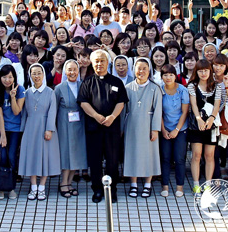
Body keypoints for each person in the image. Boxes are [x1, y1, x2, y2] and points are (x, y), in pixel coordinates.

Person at [78, 50, 129, 203]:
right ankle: (97, 190)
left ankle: (112, 191)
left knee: (113, 160)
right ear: (92, 63)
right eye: (96, 61)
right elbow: (83, 102)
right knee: (95, 161)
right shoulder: (87, 82)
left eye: (102, 61)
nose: (99, 64)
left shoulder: (116, 81)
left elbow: (121, 101)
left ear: (108, 63)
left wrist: (112, 116)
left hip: (112, 128)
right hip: (94, 127)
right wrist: (96, 116)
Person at [18, 64, 60, 201]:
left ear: (43, 74)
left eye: (39, 73)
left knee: (45, 157)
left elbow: (52, 112)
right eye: (33, 73)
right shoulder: (27, 92)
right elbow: (24, 112)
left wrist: (49, 129)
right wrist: (22, 130)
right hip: (30, 127)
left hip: (45, 127)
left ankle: (42, 187)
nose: (36, 76)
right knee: (32, 156)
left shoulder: (50, 92)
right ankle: (33, 186)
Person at [123, 58, 163, 199]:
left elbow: (158, 110)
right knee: (132, 153)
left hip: (148, 125)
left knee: (149, 154)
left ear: (149, 70)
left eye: (144, 68)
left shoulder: (155, 88)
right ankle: (133, 184)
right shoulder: (127, 88)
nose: (141, 71)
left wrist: (155, 129)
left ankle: (147, 184)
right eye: (138, 68)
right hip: (132, 126)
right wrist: (122, 129)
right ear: (134, 70)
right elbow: (123, 111)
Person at [187, 59, 222, 195]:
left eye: (206, 70)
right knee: (196, 155)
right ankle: (196, 184)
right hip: (196, 125)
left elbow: (217, 105)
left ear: (210, 71)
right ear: (197, 71)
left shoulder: (217, 86)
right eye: (200, 70)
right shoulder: (192, 86)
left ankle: (208, 184)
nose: (203, 73)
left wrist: (211, 119)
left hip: (211, 125)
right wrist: (199, 119)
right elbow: (194, 105)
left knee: (210, 155)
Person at [55, 60, 88, 198]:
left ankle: (69, 182)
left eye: (75, 69)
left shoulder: (83, 85)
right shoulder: (59, 88)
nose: (72, 72)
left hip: (80, 123)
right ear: (65, 72)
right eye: (69, 70)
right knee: (66, 152)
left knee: (77, 152)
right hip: (64, 123)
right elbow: (54, 109)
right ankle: (63, 182)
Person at [0, 65, 25, 200]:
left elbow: (17, 111)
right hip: (0, 129)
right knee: (2, 157)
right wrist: (3, 135)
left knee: (12, 157)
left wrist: (12, 97)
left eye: (10, 77)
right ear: (0, 77)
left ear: (14, 78)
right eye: (4, 77)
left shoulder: (20, 90)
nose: (7, 80)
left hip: (15, 129)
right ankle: (0, 187)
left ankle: (11, 187)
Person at [159, 64, 189, 197]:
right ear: (162, 77)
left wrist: (177, 129)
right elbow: (158, 112)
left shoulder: (182, 90)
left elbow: (184, 112)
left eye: (171, 74)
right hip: (165, 128)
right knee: (165, 158)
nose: (168, 77)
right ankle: (164, 186)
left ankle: (179, 187)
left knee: (179, 158)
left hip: (180, 129)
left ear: (175, 76)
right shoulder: (159, 90)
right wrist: (163, 130)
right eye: (165, 75)